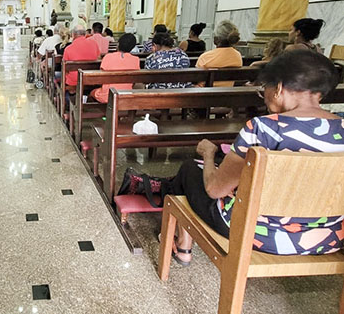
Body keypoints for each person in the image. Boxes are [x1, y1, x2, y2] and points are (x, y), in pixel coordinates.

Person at [166, 50, 344, 265]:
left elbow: (214, 190)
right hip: (330, 237)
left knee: (190, 169)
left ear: (278, 88)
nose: (264, 96)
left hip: (259, 234)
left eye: (264, 89)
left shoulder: (264, 128)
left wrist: (210, 154)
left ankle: (183, 247)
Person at [90, 33, 140, 103]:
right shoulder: (135, 59)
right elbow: (134, 81)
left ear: (118, 44)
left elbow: (101, 78)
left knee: (92, 92)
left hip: (107, 95)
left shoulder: (108, 57)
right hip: (126, 95)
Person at [196, 20, 243, 86]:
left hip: (206, 93)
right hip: (229, 93)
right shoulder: (237, 55)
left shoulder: (205, 57)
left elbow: (197, 80)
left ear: (216, 39)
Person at [63, 22, 100, 87]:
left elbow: (65, 68)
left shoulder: (68, 49)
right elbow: (98, 58)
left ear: (73, 35)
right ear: (85, 34)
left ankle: (70, 94)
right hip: (91, 78)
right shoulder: (94, 44)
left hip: (74, 81)